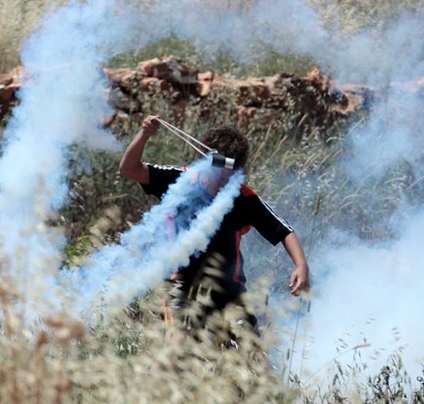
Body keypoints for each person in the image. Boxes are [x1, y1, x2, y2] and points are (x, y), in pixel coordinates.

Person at [119, 115, 310, 336]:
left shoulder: (243, 197)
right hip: (181, 285)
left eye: (232, 172)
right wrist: (145, 135)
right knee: (177, 347)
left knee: (255, 356)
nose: (223, 178)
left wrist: (301, 266)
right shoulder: (178, 179)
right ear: (204, 160)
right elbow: (129, 169)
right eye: (218, 168)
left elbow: (283, 230)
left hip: (230, 290)